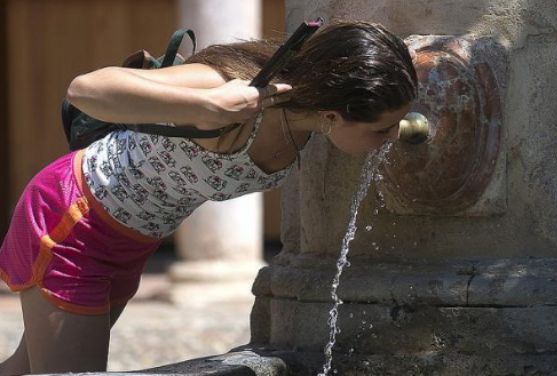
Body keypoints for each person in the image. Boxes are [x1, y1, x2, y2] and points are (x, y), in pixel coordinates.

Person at [0, 21, 418, 375]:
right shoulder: (229, 83)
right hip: (75, 219)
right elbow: (85, 89)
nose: (391, 137)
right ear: (332, 114)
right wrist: (203, 104)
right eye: (383, 129)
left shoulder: (309, 115)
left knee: (26, 367)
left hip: (133, 240)